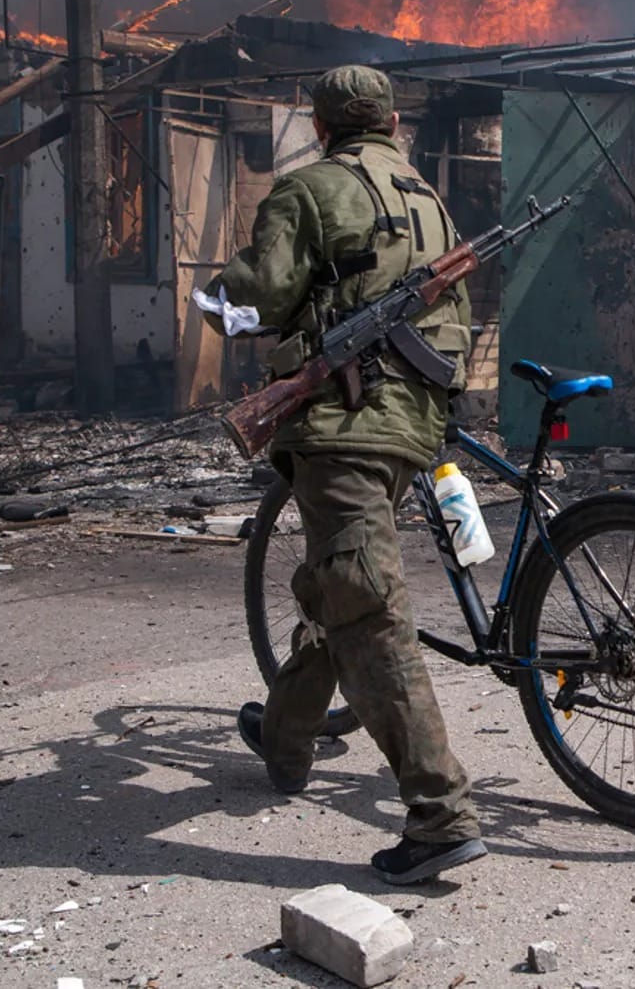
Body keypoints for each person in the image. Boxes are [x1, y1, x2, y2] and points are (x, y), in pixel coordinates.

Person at [201, 64, 482, 884]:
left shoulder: (310, 189)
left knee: (365, 608)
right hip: (410, 433)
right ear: (393, 123)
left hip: (345, 429)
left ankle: (440, 814)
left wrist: (210, 300)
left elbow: (258, 297)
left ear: (321, 127)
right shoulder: (429, 199)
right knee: (339, 590)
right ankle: (286, 740)